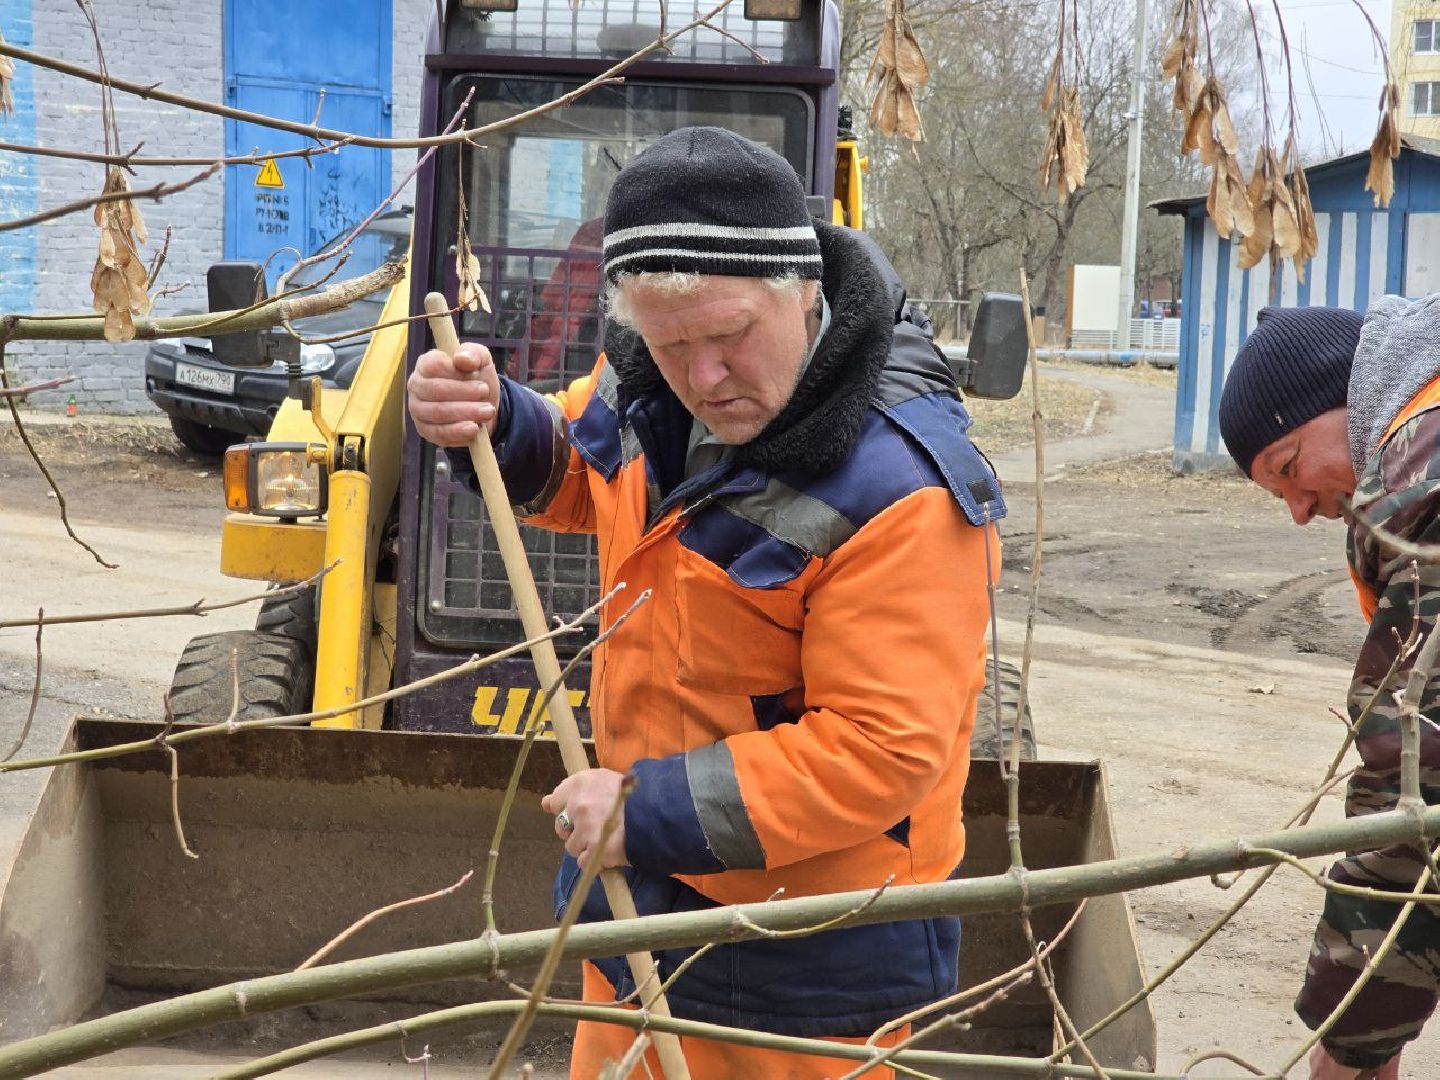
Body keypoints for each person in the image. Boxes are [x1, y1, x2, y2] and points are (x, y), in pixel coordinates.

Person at [407, 126, 1006, 1078]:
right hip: (633, 913)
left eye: (729, 338)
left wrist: (640, 811)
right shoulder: (650, 380)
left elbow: (879, 749)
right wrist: (496, 421)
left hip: (807, 966)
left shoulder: (908, 491)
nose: (704, 378)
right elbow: (587, 473)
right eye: (670, 344)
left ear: (802, 293)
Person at [1219, 301, 1440, 1080]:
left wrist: (1353, 1036)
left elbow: (1410, 798)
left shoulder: (1424, 491)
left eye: (1287, 467)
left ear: (1341, 401)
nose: (1299, 510)